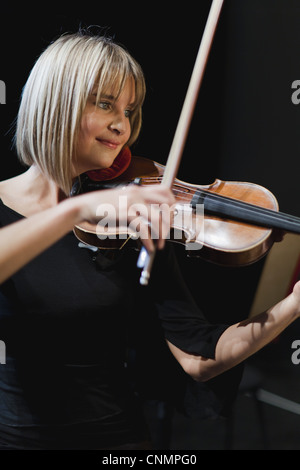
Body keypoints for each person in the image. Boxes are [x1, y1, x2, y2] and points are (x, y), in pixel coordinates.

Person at [0, 29, 299, 450]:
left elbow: (200, 358)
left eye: (130, 109)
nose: (122, 125)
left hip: (121, 440)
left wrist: (292, 305)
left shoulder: (128, 223)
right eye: (105, 104)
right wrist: (73, 210)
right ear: (56, 102)